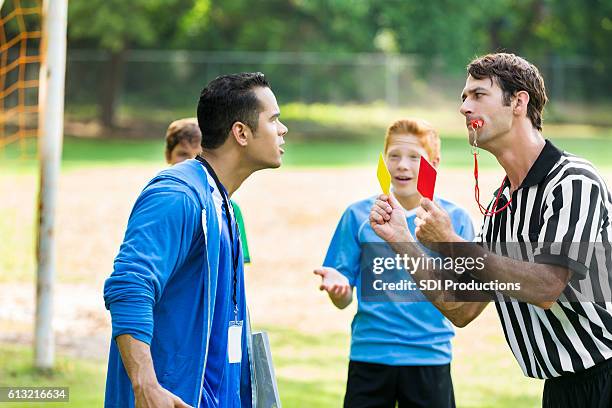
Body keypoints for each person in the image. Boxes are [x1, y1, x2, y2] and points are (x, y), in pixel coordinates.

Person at [370, 53, 612, 407]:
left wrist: (450, 242)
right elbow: (461, 309)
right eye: (463, 98)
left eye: (478, 95)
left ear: (518, 102)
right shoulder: (500, 206)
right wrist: (403, 241)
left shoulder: (572, 181)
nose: (464, 107)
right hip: (562, 390)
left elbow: (548, 286)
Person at [103, 72, 287, 407]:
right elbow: (130, 286)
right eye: (274, 119)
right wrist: (146, 386)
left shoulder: (221, 201)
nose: (283, 129)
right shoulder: (177, 195)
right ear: (241, 133)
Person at [315, 118, 474, 408]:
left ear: (434, 162)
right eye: (394, 156)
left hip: (429, 355)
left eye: (415, 157)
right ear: (383, 160)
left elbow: (464, 297)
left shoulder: (454, 220)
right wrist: (339, 291)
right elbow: (343, 295)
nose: (402, 165)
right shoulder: (358, 215)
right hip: (370, 354)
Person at [165, 117, 251, 263]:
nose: (191, 162)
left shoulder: (230, 210)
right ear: (168, 155)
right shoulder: (160, 202)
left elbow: (234, 272)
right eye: (183, 154)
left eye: (200, 155)